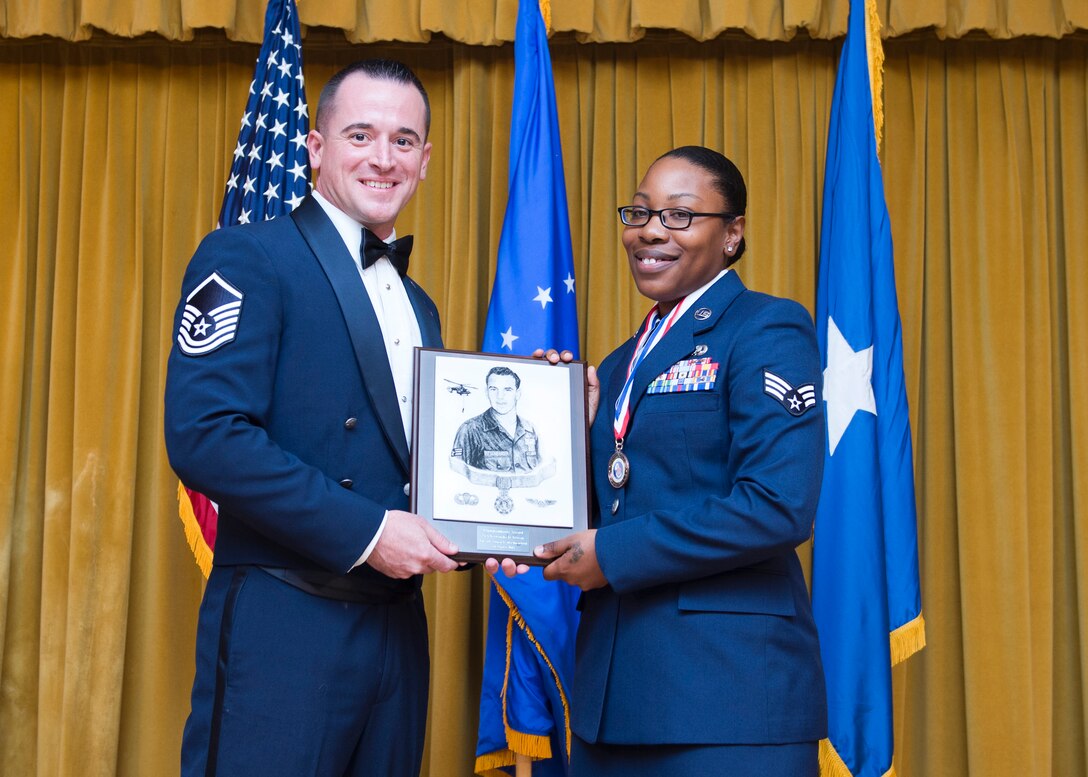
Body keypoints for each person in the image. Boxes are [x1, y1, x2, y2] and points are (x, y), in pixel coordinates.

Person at [165, 59, 461, 777]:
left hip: (396, 628)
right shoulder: (246, 255)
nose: (382, 157)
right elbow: (206, 436)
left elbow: (429, 467)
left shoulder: (420, 305)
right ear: (315, 147)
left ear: (424, 160)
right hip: (285, 620)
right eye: (360, 134)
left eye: (403, 140)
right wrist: (366, 531)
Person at [508, 146, 828, 775]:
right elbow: (618, 502)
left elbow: (778, 506)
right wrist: (566, 439)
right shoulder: (624, 362)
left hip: (727, 701)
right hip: (613, 700)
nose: (651, 230)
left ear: (732, 234)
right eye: (640, 212)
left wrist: (613, 556)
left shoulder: (765, 328)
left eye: (680, 216)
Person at [450, 366, 541, 473]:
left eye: (507, 390)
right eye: (493, 389)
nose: (500, 396)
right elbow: (457, 475)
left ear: (518, 394)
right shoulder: (470, 429)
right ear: (486, 392)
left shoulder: (530, 430)